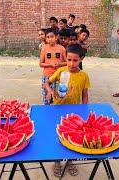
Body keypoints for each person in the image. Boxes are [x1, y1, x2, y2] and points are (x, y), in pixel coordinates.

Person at [45, 43, 90, 177]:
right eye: (69, 59)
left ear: (81, 59)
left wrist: (84, 109)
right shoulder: (61, 71)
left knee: (73, 137)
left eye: (75, 60)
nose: (71, 63)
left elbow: (85, 94)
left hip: (75, 112)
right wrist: (50, 91)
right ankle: (57, 161)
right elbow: (47, 83)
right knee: (58, 136)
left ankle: (70, 161)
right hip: (58, 109)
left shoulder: (84, 76)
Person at [39, 28, 67, 105]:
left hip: (58, 76)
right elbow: (41, 64)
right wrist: (50, 65)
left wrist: (59, 64)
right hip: (47, 76)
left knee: (58, 97)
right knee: (47, 97)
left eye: (52, 36)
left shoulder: (61, 48)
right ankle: (47, 111)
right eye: (47, 37)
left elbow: (67, 62)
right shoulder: (44, 48)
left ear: (56, 37)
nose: (50, 39)